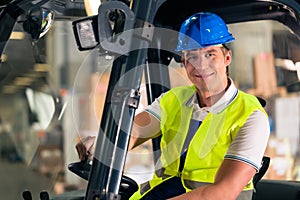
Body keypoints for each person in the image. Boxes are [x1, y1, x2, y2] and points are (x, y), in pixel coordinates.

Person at [76, 12, 270, 200]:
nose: (201, 65)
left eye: (210, 54)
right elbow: (132, 131)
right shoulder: (174, 100)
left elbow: (223, 193)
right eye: (192, 56)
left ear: (227, 58)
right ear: (184, 62)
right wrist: (102, 142)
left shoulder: (251, 116)